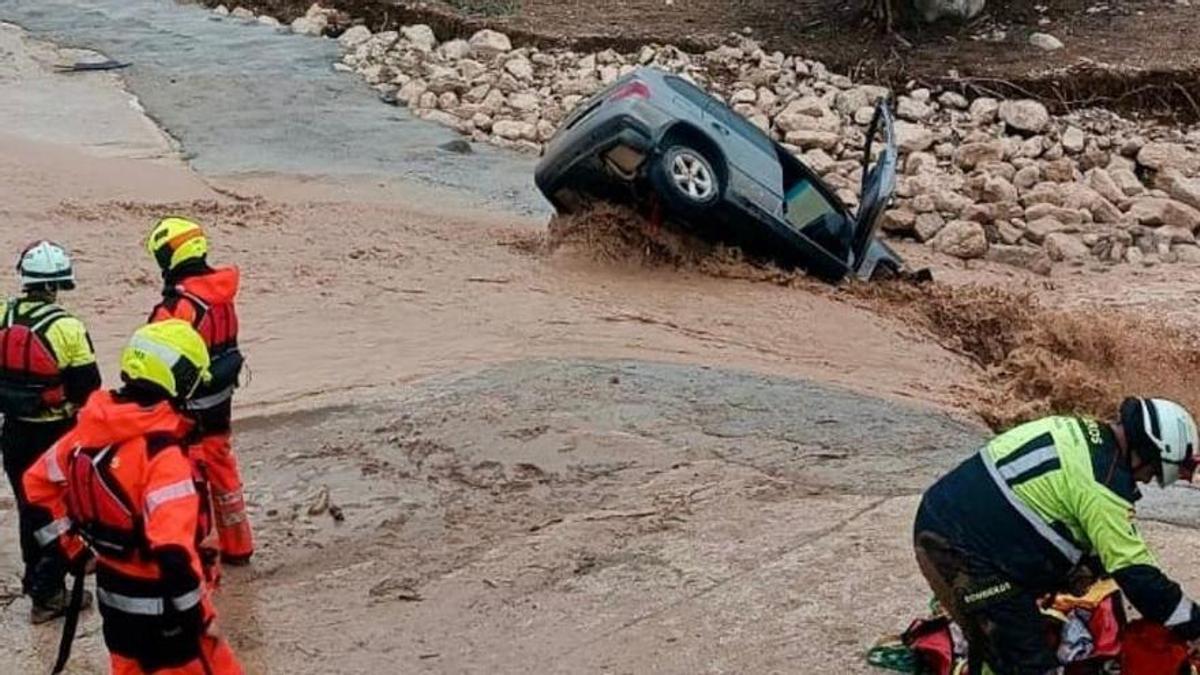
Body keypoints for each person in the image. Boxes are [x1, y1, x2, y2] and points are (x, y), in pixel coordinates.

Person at [914, 398, 1200, 675]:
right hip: (956, 549)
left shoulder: (1080, 430)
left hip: (949, 519)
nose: (1147, 480)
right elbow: (1139, 578)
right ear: (1148, 452)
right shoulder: (1104, 486)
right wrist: (1194, 624)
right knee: (1031, 663)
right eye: (1155, 472)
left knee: (1087, 570)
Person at [23, 320, 243, 674]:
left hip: (115, 599)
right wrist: (201, 620)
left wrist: (73, 548)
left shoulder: (90, 429)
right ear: (183, 382)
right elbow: (173, 552)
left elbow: (37, 485)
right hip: (167, 614)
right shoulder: (164, 456)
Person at [0, 241, 101, 623]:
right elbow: (88, 387)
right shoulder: (69, 328)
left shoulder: (2, 314)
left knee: (29, 508)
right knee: (63, 511)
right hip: (55, 434)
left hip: (13, 432)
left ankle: (36, 576)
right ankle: (48, 593)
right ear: (60, 284)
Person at [145, 217, 252, 566]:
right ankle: (239, 546)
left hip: (188, 408)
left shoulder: (179, 307)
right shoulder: (222, 295)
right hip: (222, 399)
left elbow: (153, 363)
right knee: (223, 469)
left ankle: (192, 550)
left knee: (186, 478)